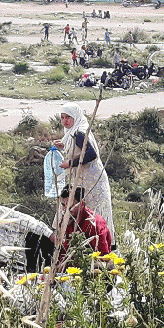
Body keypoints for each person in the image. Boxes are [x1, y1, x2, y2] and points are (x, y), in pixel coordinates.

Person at [54, 102, 116, 249]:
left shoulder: (79, 133)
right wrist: (64, 146)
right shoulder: (73, 132)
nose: (65, 121)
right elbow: (78, 148)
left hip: (91, 180)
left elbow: (91, 154)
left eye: (68, 117)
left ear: (76, 117)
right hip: (84, 179)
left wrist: (70, 163)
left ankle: (100, 245)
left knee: (93, 212)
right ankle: (83, 244)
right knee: (81, 210)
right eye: (62, 118)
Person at [56, 185, 112, 265]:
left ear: (81, 204)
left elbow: (103, 256)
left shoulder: (95, 223)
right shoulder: (67, 220)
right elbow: (64, 251)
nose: (65, 209)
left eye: (70, 206)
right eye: (63, 205)